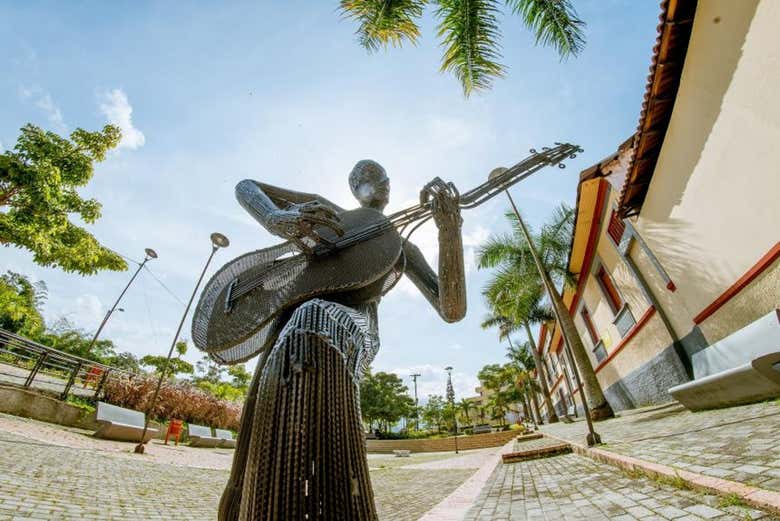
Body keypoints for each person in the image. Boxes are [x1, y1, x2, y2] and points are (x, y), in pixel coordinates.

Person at [218, 160, 466, 520]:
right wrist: (275, 218)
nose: (375, 182)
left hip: (354, 322)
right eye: (364, 177)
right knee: (303, 324)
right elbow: (246, 185)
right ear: (352, 187)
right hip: (290, 322)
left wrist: (449, 233)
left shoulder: (399, 245)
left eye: (380, 177)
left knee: (316, 317)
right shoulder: (328, 215)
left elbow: (451, 308)